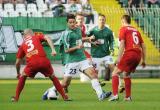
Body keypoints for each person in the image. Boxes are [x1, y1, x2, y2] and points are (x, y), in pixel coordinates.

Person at [60, 14, 111, 100]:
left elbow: (80, 40)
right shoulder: (66, 34)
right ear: (67, 23)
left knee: (93, 74)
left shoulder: (79, 29)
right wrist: (78, 46)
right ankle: (51, 91)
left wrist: (91, 41)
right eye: (70, 22)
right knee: (65, 84)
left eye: (74, 22)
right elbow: (66, 50)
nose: (73, 24)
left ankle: (100, 95)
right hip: (72, 61)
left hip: (82, 58)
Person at [11, 29, 70, 102]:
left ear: (24, 35)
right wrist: (53, 49)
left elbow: (17, 62)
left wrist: (18, 73)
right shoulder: (36, 37)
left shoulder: (23, 44)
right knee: (53, 77)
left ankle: (16, 97)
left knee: (23, 76)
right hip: (43, 61)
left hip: (32, 63)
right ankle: (64, 96)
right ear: (32, 33)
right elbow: (48, 38)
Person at [109, 15, 146, 101]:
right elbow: (143, 46)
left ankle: (115, 95)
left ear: (123, 21)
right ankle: (128, 97)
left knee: (115, 73)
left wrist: (118, 58)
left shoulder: (123, 29)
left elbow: (122, 44)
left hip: (129, 54)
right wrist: (144, 60)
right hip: (138, 55)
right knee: (126, 74)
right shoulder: (136, 30)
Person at [86, 13, 115, 82]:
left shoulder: (109, 31)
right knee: (95, 73)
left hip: (106, 55)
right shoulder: (92, 30)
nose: (101, 21)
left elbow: (111, 41)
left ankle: (120, 85)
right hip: (95, 55)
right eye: (100, 19)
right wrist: (90, 38)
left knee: (113, 68)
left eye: (103, 20)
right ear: (98, 21)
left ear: (105, 21)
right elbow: (86, 37)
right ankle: (97, 87)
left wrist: (112, 49)